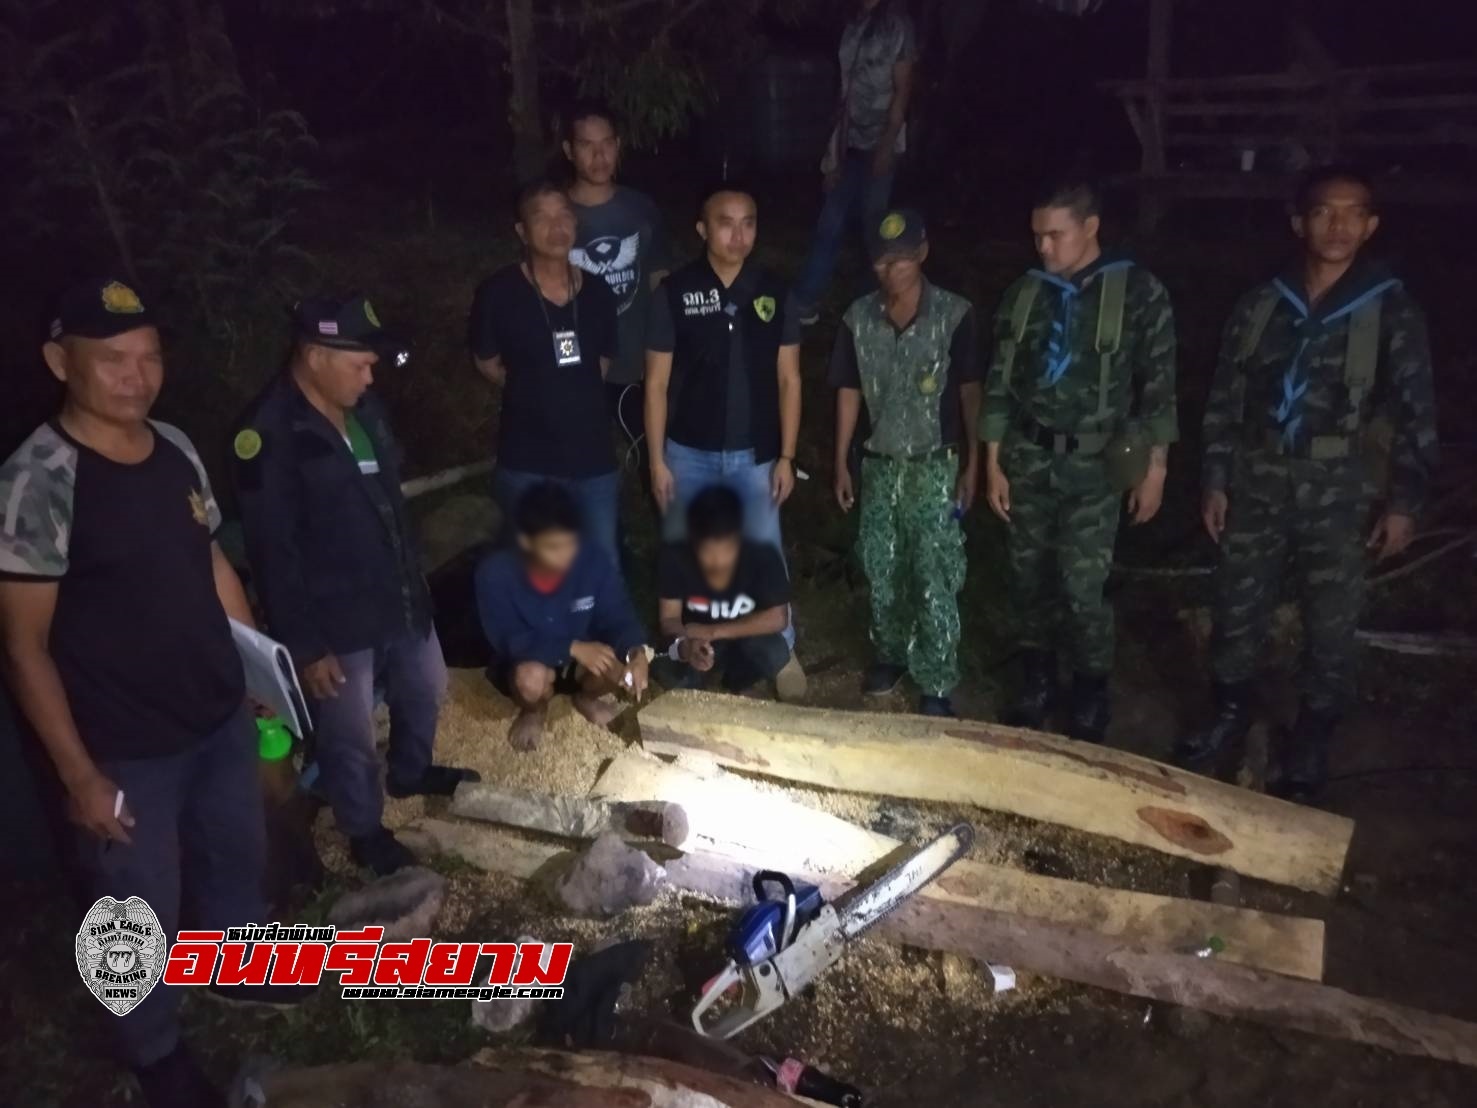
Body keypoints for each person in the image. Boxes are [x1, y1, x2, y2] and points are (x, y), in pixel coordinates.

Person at [0, 278, 301, 1107]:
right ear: (61, 363)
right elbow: (23, 648)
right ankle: (152, 1049)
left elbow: (210, 563)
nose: (137, 377)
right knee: (130, 911)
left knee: (235, 859)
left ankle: (237, 966)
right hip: (123, 744)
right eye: (113, 361)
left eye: (150, 357)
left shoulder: (174, 445)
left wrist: (256, 678)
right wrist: (77, 775)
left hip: (214, 714)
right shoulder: (40, 480)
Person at [1174, 167, 1437, 799]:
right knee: (1237, 604)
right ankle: (1230, 710)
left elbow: (1415, 412)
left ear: (1371, 226)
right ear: (1299, 221)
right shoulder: (1263, 303)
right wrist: (1215, 477)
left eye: (1353, 213)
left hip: (1340, 485)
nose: (1337, 225)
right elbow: (1226, 396)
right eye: (1323, 212)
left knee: (1331, 620)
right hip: (1259, 476)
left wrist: (1404, 501)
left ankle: (1313, 735)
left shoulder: (1389, 308)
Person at [233, 295, 478, 877]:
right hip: (334, 616)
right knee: (348, 735)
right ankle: (364, 829)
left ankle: (412, 771)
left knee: (428, 684)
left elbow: (390, 501)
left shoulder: (363, 409)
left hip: (396, 592)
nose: (372, 376)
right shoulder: (268, 434)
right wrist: (305, 643)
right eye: (361, 364)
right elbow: (273, 550)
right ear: (316, 355)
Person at [980, 179, 1178, 743]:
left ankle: (1091, 688)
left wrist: (1155, 468)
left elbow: (1158, 388)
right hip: (1030, 457)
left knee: (1082, 586)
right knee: (1027, 578)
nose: (1044, 247)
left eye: (1055, 235)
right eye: (1037, 236)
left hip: (1095, 467)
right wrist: (993, 460)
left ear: (1090, 228)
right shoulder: (1027, 293)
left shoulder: (1139, 293)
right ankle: (1036, 680)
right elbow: (1000, 381)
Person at [831, 209, 979, 718]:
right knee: (882, 564)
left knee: (934, 572)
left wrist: (974, 464)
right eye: (881, 260)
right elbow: (848, 391)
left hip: (935, 465)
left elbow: (970, 394)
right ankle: (890, 654)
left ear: (922, 253)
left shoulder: (954, 315)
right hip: (879, 464)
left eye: (900, 258)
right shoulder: (858, 319)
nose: (890, 269)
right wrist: (841, 462)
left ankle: (936, 680)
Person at [645, 183, 802, 648]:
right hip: (687, 453)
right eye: (725, 222)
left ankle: (779, 647)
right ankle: (685, 643)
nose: (738, 234)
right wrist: (656, 460)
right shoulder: (675, 292)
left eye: (748, 222)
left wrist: (788, 456)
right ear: (702, 229)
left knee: (764, 548)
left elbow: (790, 379)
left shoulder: (774, 291)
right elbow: (654, 384)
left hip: (756, 456)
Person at [471, 180, 622, 564]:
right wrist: (533, 387)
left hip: (594, 461)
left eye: (564, 216)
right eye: (542, 218)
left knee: (600, 567)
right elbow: (487, 362)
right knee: (538, 575)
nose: (557, 228)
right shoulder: (498, 292)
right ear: (522, 231)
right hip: (527, 462)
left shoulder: (599, 292)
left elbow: (602, 362)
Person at [474, 481, 650, 752]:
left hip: (582, 659)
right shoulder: (495, 574)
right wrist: (572, 647)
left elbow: (618, 613)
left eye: (570, 544)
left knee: (613, 665)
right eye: (552, 547)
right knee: (530, 679)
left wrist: (635, 652)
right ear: (525, 542)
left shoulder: (593, 560)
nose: (565, 557)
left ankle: (586, 699)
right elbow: (510, 639)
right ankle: (534, 711)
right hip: (531, 659)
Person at [563, 101, 672, 485]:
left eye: (607, 143)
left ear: (619, 145)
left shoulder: (640, 207)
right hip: (584, 361)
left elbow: (659, 275)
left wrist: (666, 342)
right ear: (568, 150)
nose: (599, 155)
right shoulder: (556, 216)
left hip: (639, 356)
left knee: (656, 454)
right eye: (586, 145)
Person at [791, 0, 918, 326]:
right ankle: (804, 302)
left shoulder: (897, 26)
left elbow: (902, 91)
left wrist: (887, 146)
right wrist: (836, 153)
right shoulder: (853, 25)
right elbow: (845, 94)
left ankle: (873, 306)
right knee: (829, 223)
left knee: (874, 231)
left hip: (881, 143)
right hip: (850, 143)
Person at [655, 485, 806, 701]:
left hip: (740, 634)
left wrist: (713, 631)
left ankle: (739, 684)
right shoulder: (675, 556)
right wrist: (687, 646)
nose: (717, 563)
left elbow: (778, 618)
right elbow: (669, 618)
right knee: (670, 668)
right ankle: (698, 692)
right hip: (693, 638)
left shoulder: (762, 555)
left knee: (775, 652)